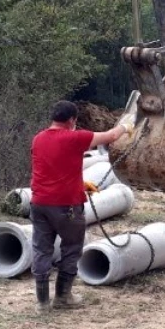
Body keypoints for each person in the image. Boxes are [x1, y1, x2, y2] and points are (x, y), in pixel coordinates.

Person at [30, 101, 136, 312]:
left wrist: (78, 183)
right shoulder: (74, 137)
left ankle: (42, 302)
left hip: (39, 203)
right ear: (71, 120)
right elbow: (111, 136)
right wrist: (128, 124)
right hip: (66, 206)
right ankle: (63, 297)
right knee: (71, 248)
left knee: (41, 249)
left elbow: (54, 166)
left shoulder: (38, 138)